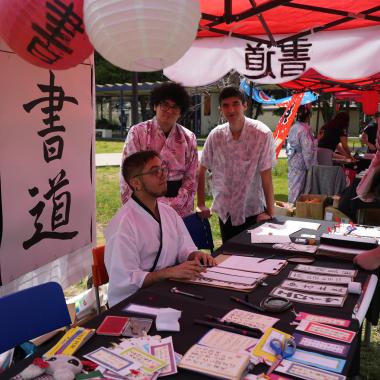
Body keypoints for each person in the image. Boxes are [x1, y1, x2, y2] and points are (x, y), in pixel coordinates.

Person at [106, 150, 215, 307]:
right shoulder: (123, 224)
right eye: (154, 171)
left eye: (163, 169)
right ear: (135, 183)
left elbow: (183, 247)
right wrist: (169, 273)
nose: (163, 175)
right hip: (134, 302)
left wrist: (195, 255)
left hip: (168, 289)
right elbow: (125, 279)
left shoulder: (168, 212)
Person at [197, 86, 276, 243]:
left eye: (235, 104)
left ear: (244, 105)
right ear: (220, 109)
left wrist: (271, 214)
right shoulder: (216, 135)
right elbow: (201, 169)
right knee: (228, 257)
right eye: (225, 105)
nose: (231, 109)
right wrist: (200, 204)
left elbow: (266, 176)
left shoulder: (262, 134)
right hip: (225, 211)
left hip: (252, 209)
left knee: (252, 258)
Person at [120, 82, 198, 218]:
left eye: (175, 107)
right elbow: (129, 173)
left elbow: (191, 177)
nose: (169, 110)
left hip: (179, 204)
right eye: (165, 104)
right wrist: (151, 204)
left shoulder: (189, 137)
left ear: (181, 112)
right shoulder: (137, 133)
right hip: (145, 200)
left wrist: (176, 204)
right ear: (155, 106)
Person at [286, 106, 317, 203]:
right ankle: (295, 207)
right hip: (301, 160)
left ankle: (291, 206)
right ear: (307, 116)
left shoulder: (294, 127)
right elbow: (307, 149)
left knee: (293, 185)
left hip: (293, 159)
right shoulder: (304, 130)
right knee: (299, 187)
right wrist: (310, 165)